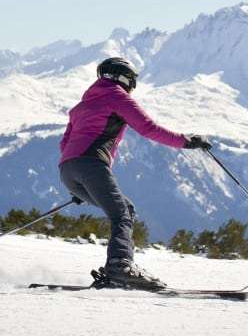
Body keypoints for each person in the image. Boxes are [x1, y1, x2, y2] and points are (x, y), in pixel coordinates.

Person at [59, 57, 211, 290]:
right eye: (132, 80)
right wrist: (187, 142)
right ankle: (120, 266)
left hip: (68, 170)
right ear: (124, 78)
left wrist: (79, 183)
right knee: (121, 215)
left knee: (126, 209)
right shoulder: (117, 96)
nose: (133, 86)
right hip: (91, 166)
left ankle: (117, 268)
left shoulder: (80, 107)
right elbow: (148, 128)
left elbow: (65, 144)